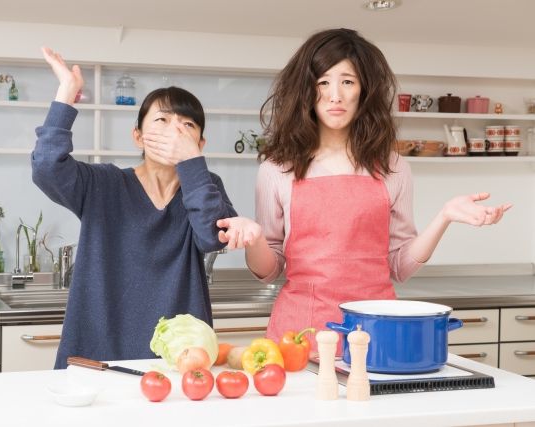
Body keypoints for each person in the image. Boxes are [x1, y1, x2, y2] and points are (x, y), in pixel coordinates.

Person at [216, 28, 512, 351]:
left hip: (376, 333)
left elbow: (399, 267)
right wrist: (255, 239)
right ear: (306, 91)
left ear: (364, 90)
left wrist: (444, 217)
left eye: (347, 81)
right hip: (301, 334)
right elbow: (269, 270)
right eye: (323, 82)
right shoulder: (276, 170)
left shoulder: (395, 167)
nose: (335, 95)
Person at [33, 47, 237, 368]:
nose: (175, 131)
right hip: (97, 355)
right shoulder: (102, 184)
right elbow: (46, 167)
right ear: (138, 137)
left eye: (187, 125)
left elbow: (213, 237)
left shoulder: (204, 185)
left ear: (200, 145)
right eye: (162, 120)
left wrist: (193, 165)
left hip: (178, 357)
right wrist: (66, 94)